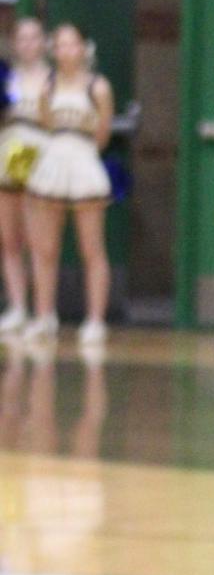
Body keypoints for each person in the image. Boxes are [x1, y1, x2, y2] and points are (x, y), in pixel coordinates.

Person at [24, 24, 115, 349]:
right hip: (52, 164)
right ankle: (44, 316)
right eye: (59, 45)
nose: (65, 51)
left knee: (91, 248)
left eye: (71, 44)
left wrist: (83, 150)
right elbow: (47, 125)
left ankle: (95, 320)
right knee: (44, 248)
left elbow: (103, 135)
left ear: (83, 48)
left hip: (84, 163)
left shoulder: (98, 86)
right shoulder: (47, 85)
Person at [0, 14, 50, 336]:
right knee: (9, 236)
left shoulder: (53, 78)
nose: (28, 44)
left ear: (44, 42)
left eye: (34, 37)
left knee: (38, 239)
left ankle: (43, 313)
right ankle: (17, 307)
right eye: (22, 37)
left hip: (42, 152)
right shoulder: (7, 77)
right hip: (11, 149)